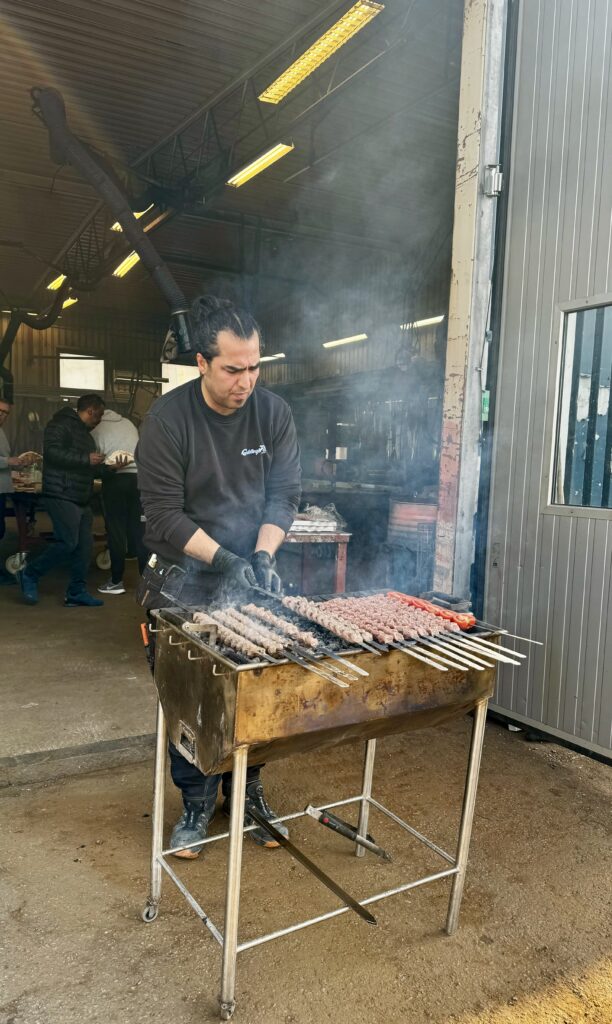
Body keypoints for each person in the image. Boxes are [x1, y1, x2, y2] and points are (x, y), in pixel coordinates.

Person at [136, 295, 301, 858]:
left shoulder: (273, 414)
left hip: (251, 571)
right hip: (184, 576)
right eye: (233, 369)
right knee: (192, 701)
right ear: (202, 362)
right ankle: (196, 802)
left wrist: (262, 557)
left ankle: (248, 793)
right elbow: (163, 514)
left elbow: (284, 496)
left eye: (254, 366)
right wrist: (226, 560)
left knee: (259, 692)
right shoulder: (168, 420)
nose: (246, 381)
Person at [18, 394, 107, 606]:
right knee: (68, 542)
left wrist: (108, 468)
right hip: (61, 492)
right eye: (100, 415)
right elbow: (52, 453)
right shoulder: (60, 424)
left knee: (84, 548)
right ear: (91, 411)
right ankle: (29, 573)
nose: (100, 420)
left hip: (81, 496)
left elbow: (85, 467)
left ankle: (76, 592)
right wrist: (86, 459)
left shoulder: (86, 436)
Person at [91, 407, 147, 594]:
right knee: (140, 531)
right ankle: (147, 582)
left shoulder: (96, 428)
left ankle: (116, 581)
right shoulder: (128, 423)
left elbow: (95, 462)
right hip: (138, 480)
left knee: (116, 531)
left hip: (115, 481)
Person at [0, 397, 28, 585]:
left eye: (6, 413)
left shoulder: (1, 431)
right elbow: (4, 460)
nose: (2, 415)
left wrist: (17, 463)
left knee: (0, 530)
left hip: (1, 489)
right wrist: (7, 461)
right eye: (0, 411)